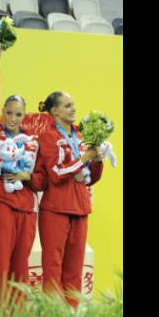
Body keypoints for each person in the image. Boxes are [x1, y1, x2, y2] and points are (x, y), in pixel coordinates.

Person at [33, 91, 103, 305]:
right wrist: (84, 159)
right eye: (67, 105)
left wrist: (97, 161)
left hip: (80, 207)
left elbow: (90, 179)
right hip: (56, 208)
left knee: (74, 270)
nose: (73, 109)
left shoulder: (81, 136)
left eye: (73, 105)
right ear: (54, 111)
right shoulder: (48, 137)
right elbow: (56, 174)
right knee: (53, 269)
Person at [0, 42, 40, 285]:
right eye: (9, 113)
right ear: (3, 113)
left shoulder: (32, 142)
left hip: (27, 210)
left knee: (20, 271)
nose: (13, 118)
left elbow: (43, 177)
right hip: (2, 208)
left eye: (18, 114)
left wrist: (28, 178)